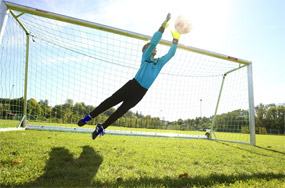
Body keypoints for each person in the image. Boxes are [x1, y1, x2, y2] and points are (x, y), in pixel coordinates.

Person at [78, 13, 181, 140]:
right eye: (150, 47)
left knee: (120, 112)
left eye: (155, 48)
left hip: (141, 92)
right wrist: (162, 27)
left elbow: (171, 54)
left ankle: (102, 126)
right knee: (111, 101)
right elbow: (153, 42)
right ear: (145, 50)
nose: (154, 48)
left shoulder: (159, 63)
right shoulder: (146, 57)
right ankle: (89, 117)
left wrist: (176, 39)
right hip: (132, 85)